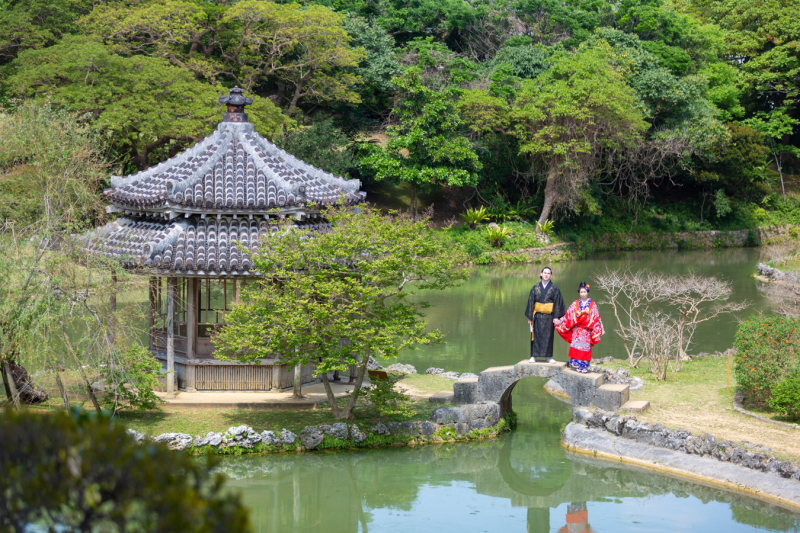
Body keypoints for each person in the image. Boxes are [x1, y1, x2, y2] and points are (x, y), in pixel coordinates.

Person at [556, 281, 605, 373]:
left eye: (584, 292)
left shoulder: (592, 304)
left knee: (585, 347)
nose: (583, 294)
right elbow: (568, 314)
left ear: (587, 292)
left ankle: (585, 366)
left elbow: (596, 316)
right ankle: (578, 365)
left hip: (587, 330)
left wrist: (588, 316)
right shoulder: (575, 303)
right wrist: (560, 321)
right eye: (581, 292)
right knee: (577, 346)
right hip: (577, 329)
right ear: (579, 292)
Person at [524, 266, 566, 363]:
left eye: (548, 273)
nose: (546, 275)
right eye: (545, 273)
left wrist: (556, 317)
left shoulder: (554, 288)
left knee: (549, 336)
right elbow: (531, 301)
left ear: (551, 275)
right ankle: (533, 356)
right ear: (541, 274)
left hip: (549, 316)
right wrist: (530, 316)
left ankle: (548, 357)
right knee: (535, 335)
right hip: (537, 316)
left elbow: (558, 303)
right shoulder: (535, 287)